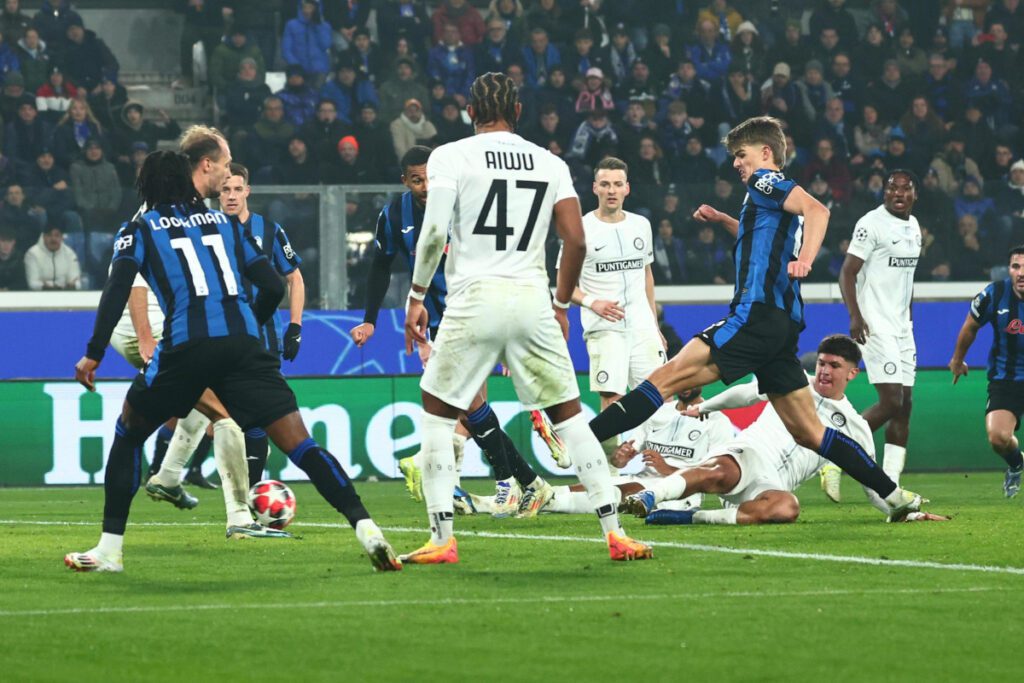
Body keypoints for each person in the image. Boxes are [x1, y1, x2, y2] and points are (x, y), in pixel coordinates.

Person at [64, 148, 401, 573]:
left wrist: (94, 352)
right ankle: (368, 529)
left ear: (146, 186)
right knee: (302, 444)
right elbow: (273, 287)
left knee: (129, 433)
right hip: (243, 345)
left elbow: (117, 288)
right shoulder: (226, 223)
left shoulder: (139, 229)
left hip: (185, 348)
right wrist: (245, 327)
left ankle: (109, 550)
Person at [587, 116, 923, 522]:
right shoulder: (764, 200)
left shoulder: (766, 181)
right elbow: (763, 238)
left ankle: (578, 440)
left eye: (741, 155)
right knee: (810, 432)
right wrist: (724, 220)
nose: (735, 164)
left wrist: (806, 260)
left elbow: (818, 210)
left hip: (755, 315)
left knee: (662, 380)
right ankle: (895, 496)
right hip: (781, 327)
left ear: (765, 153)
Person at [402, 71, 653, 564]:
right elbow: (575, 240)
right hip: (532, 299)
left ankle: (441, 538)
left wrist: (417, 295)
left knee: (437, 415)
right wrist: (561, 305)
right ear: (518, 112)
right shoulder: (550, 162)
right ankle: (615, 533)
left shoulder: (449, 156)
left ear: (470, 112)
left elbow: (433, 232)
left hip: (474, 296)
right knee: (570, 417)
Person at [350, 145, 559, 518]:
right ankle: (527, 483)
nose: (426, 187)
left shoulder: (467, 202)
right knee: (468, 406)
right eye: (417, 180)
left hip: (476, 309)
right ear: (405, 181)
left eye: (430, 177)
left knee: (465, 404)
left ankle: (508, 484)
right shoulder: (393, 215)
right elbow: (380, 266)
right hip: (435, 321)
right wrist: (370, 319)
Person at [623, 336, 944, 525]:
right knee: (718, 470)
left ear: (852, 373)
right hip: (749, 454)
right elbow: (747, 393)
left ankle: (691, 518)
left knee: (787, 508)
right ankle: (651, 496)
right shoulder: (794, 383)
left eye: (834, 366)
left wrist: (908, 512)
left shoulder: (856, 427)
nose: (825, 371)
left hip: (770, 485)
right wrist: (704, 408)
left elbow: (873, 488)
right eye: (822, 363)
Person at [559, 156, 666, 466]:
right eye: (605, 184)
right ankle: (609, 474)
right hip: (605, 329)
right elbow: (563, 285)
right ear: (595, 188)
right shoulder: (580, 229)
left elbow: (646, 276)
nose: (611, 190)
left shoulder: (641, 225)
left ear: (627, 188)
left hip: (642, 326)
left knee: (659, 394)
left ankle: (659, 472)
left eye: (617, 184)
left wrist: (654, 325)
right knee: (612, 397)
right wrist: (593, 302)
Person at [220, 162, 305, 486]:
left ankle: (251, 491)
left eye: (237, 189)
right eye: (225, 189)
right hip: (219, 334)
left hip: (262, 339)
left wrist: (295, 327)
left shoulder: (269, 230)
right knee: (212, 413)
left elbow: (294, 278)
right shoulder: (205, 231)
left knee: (255, 412)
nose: (231, 196)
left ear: (247, 191)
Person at [839, 170, 921, 490]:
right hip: (874, 324)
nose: (898, 193)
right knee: (891, 401)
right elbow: (847, 273)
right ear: (884, 193)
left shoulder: (914, 227)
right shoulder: (870, 224)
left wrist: (908, 319)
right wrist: (855, 317)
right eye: (892, 188)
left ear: (914, 194)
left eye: (905, 188)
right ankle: (833, 457)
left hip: (902, 328)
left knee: (905, 405)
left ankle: (891, 486)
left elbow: (906, 280)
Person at [949, 246, 1024, 498]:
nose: (1021, 273)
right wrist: (958, 359)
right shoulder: (994, 293)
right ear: (1009, 270)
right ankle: (1016, 463)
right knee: (998, 438)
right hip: (1006, 379)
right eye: (1016, 266)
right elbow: (970, 326)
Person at [0, 224, 27, 290]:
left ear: (14, 242)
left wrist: (6, 290)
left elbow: (22, 283)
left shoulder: (19, 259)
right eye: (3, 241)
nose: (6, 245)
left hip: (12, 294)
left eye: (9, 241)